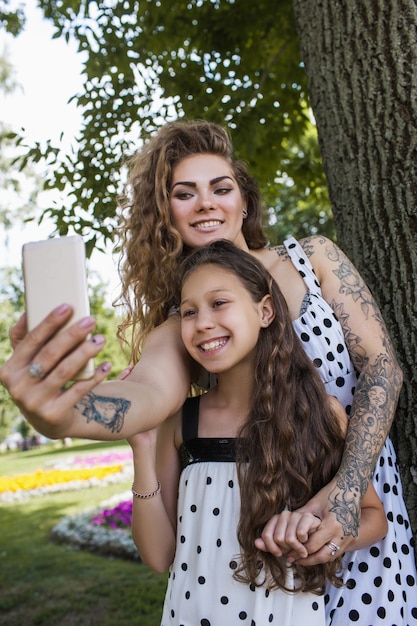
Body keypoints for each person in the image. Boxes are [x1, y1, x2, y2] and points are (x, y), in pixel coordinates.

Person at [0, 120, 416, 624]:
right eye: (184, 193)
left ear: (245, 201)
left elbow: (382, 367)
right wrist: (63, 414)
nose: (205, 203)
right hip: (263, 539)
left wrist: (348, 493)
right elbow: (147, 395)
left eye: (221, 187)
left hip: (359, 510)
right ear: (165, 216)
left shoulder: (313, 258)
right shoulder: (186, 326)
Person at [128, 239, 388, 625]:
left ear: (265, 311)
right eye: (188, 312)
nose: (202, 323)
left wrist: (315, 535)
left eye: (219, 303)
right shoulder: (180, 422)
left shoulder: (319, 413)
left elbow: (373, 518)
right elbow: (158, 556)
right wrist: (142, 449)